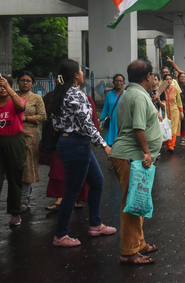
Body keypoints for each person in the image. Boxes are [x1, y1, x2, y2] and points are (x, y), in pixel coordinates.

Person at [50, 59, 116, 247]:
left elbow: (57, 123)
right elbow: (85, 124)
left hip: (72, 142)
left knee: (97, 181)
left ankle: (95, 225)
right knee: (72, 191)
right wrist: (104, 144)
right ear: (75, 75)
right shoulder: (75, 94)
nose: (82, 72)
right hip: (75, 144)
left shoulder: (60, 93)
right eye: (80, 70)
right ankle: (60, 235)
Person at [110, 59, 162, 264]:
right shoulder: (138, 96)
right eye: (153, 75)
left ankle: (138, 243)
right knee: (131, 205)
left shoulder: (132, 93)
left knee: (138, 201)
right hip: (131, 156)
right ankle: (128, 252)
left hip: (130, 155)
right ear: (148, 76)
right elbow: (138, 128)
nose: (154, 78)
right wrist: (147, 153)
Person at [44, 88, 99, 211]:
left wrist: (95, 138)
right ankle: (59, 198)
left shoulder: (84, 97)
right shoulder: (54, 97)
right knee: (58, 170)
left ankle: (78, 199)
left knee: (82, 172)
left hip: (80, 140)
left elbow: (90, 120)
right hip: (60, 139)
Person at [16, 71, 46, 211]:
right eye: (22, 80)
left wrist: (26, 119)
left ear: (32, 83)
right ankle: (15, 197)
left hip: (31, 136)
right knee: (14, 167)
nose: (25, 83)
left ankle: (24, 199)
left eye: (28, 80)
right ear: (18, 82)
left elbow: (42, 116)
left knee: (27, 167)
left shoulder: (36, 99)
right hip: (13, 136)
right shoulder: (12, 96)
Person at [0, 75, 27, 226]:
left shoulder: (15, 101)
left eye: (4, 86)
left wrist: (8, 88)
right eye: (0, 87)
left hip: (14, 142)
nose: (2, 89)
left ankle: (15, 213)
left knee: (14, 178)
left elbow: (22, 107)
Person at [99, 74, 125, 147]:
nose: (118, 82)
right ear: (113, 82)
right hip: (112, 122)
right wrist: (100, 119)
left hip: (123, 122)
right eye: (116, 81)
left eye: (120, 81)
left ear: (123, 82)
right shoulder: (109, 94)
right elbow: (105, 109)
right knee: (111, 145)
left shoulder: (126, 94)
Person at [161, 73, 183, 153]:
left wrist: (181, 111)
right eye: (167, 79)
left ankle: (171, 145)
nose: (169, 81)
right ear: (164, 81)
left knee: (174, 128)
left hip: (174, 111)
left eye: (170, 79)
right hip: (164, 111)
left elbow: (179, 101)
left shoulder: (175, 89)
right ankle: (168, 145)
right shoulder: (161, 90)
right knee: (165, 127)